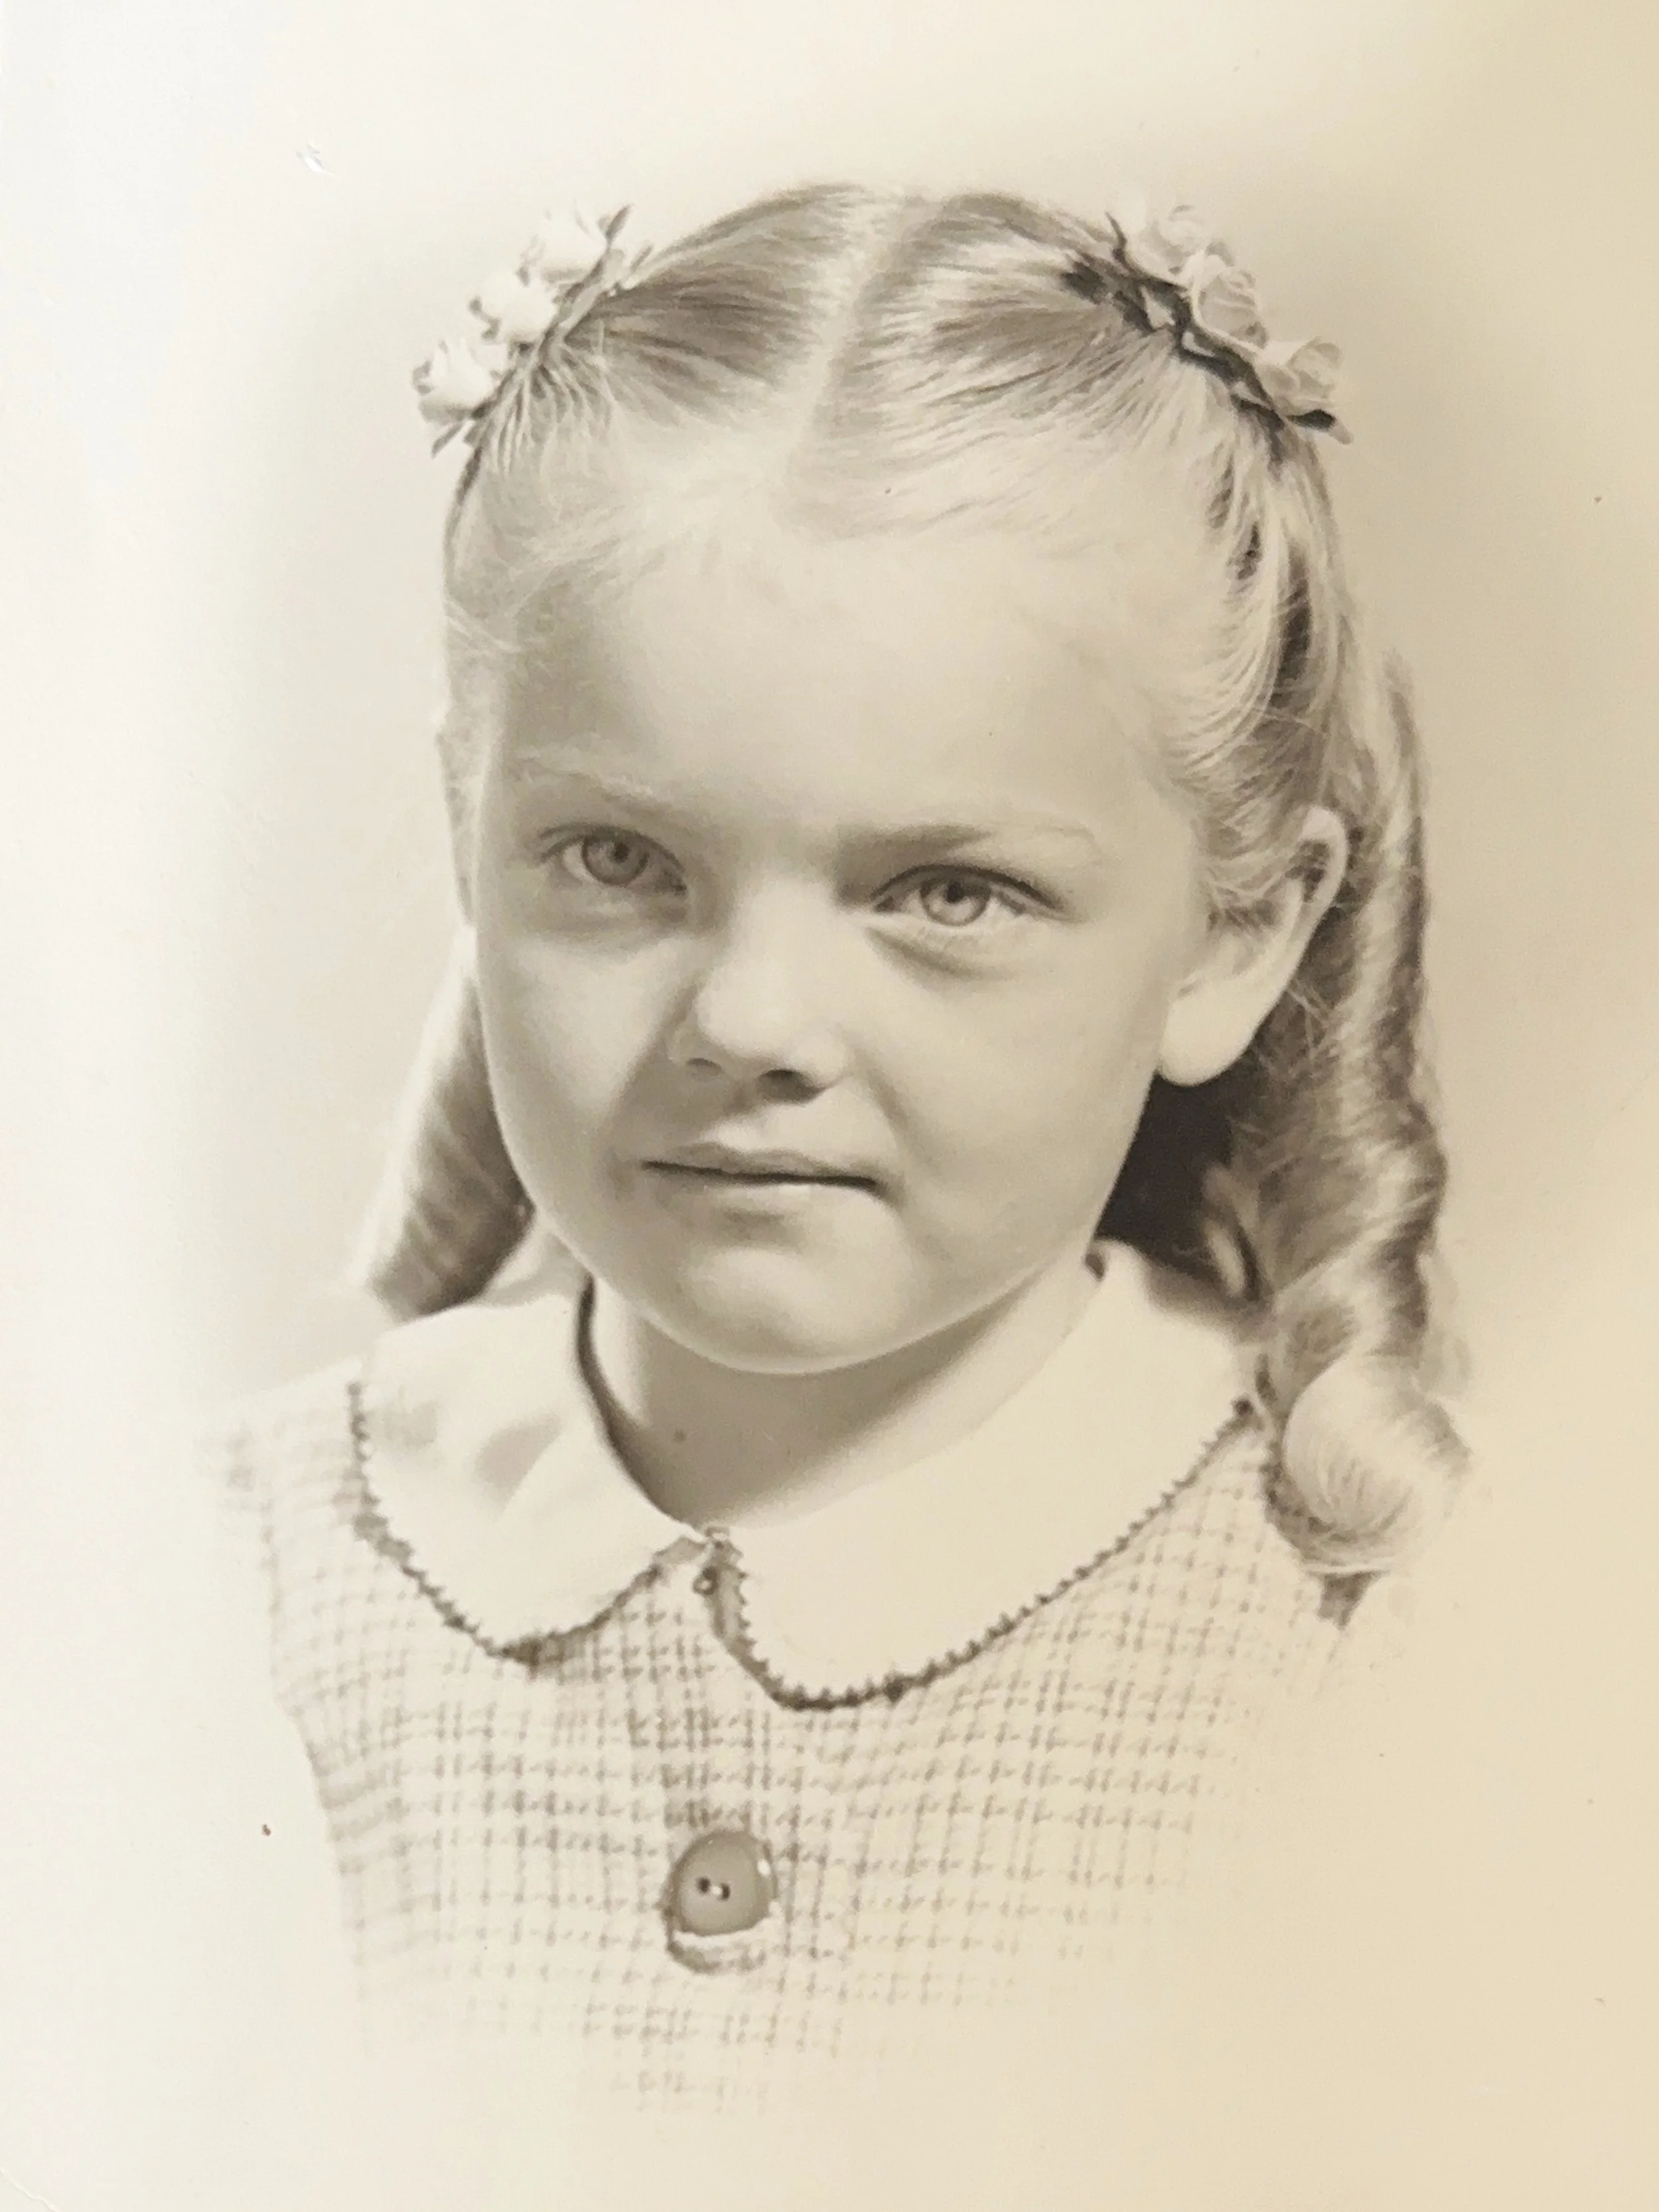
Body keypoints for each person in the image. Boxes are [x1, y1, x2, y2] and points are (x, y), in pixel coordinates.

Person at [212, 181, 1465, 2185]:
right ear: (470, 832)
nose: (753, 1017)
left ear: (1235, 933)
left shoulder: (1393, 1641)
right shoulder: (224, 1586)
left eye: (945, 891)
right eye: (619, 861)